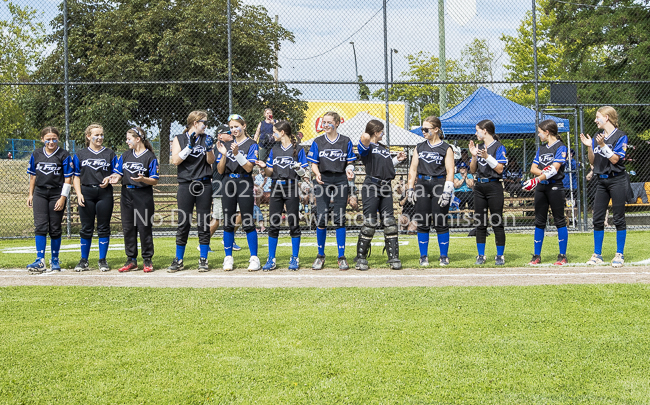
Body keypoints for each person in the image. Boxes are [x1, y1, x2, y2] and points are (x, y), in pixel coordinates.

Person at [306, 111, 357, 270]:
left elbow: (350, 162)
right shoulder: (318, 141)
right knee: (321, 217)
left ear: (337, 123)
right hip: (323, 180)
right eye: (324, 122)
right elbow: (314, 163)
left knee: (339, 218)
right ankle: (320, 256)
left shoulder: (345, 141)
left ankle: (341, 256)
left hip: (341, 179)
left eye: (329, 122)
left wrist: (350, 169)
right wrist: (317, 173)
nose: (326, 125)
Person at [167, 111, 215, 273]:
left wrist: (209, 148)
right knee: (184, 222)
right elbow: (176, 160)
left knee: (203, 222)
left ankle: (203, 258)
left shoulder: (205, 138)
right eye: (204, 122)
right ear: (195, 123)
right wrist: (189, 146)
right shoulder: (179, 138)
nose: (206, 125)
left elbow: (211, 162)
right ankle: (179, 259)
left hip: (204, 184)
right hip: (186, 184)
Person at [580, 106, 628, 267]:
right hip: (601, 180)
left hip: (617, 180)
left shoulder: (621, 136)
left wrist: (602, 146)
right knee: (598, 218)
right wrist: (589, 146)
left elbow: (615, 160)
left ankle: (619, 254)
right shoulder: (597, 136)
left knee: (619, 218)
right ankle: (597, 254)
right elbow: (593, 161)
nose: (595, 120)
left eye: (597, 116)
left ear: (607, 117)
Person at [355, 119, 406, 270]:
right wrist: (371, 136)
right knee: (370, 222)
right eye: (381, 131)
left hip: (385, 185)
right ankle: (361, 257)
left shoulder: (383, 148)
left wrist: (396, 160)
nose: (383, 133)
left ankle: (393, 257)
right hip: (371, 185)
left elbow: (385, 166)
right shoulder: (367, 146)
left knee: (389, 223)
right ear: (376, 132)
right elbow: (364, 138)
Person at [256, 120, 307, 270]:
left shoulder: (299, 149)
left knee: (293, 223)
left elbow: (304, 174)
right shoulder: (274, 150)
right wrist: (265, 167)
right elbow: (270, 173)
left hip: (291, 187)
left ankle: (295, 258)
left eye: (274, 132)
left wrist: (299, 169)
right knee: (274, 224)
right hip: (276, 188)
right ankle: (271, 258)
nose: (273, 135)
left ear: (282, 132)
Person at [406, 116, 455, 267]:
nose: (423, 131)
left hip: (439, 183)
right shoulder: (419, 147)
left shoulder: (446, 148)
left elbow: (450, 170)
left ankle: (443, 256)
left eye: (426, 129)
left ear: (436, 129)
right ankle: (423, 256)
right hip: (422, 184)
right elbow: (413, 169)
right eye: (422, 129)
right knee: (422, 221)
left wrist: (447, 190)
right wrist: (410, 188)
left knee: (440, 221)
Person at [215, 114, 260, 271]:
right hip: (228, 182)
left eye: (236, 126)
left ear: (244, 126)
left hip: (244, 181)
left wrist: (237, 154)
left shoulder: (251, 144)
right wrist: (223, 154)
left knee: (247, 220)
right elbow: (220, 170)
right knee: (228, 221)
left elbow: (248, 168)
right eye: (231, 127)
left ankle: (254, 258)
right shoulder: (226, 145)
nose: (234, 129)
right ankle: (228, 257)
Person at [26, 127, 73, 273]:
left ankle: (55, 259)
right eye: (48, 139)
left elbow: (68, 178)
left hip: (56, 194)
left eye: (54, 139)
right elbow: (33, 176)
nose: (51, 141)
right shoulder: (36, 154)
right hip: (40, 193)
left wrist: (62, 198)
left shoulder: (63, 154)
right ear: (42, 139)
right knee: (40, 226)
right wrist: (30, 194)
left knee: (55, 227)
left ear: (58, 139)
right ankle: (40, 260)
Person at [72, 123, 119, 272]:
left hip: (104, 194)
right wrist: (79, 194)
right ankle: (84, 260)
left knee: (103, 227)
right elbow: (76, 176)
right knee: (86, 228)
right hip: (86, 193)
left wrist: (110, 179)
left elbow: (117, 173)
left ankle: (102, 260)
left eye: (101, 135)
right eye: (96, 135)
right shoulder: (80, 154)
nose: (99, 137)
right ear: (88, 136)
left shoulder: (109, 154)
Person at [522, 119, 569, 265]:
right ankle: (536, 255)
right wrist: (544, 174)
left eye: (540, 132)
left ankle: (562, 255)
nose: (538, 134)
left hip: (555, 187)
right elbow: (533, 168)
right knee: (539, 221)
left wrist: (537, 179)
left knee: (559, 220)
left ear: (547, 132)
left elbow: (555, 168)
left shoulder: (561, 147)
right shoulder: (541, 148)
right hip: (542, 187)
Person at [112, 127, 159, 273]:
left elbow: (154, 180)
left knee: (144, 227)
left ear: (138, 139)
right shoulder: (125, 155)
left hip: (143, 195)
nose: (127, 141)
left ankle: (147, 260)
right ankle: (131, 260)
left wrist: (143, 179)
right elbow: (118, 173)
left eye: (129, 139)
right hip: (126, 194)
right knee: (128, 228)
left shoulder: (150, 157)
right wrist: (112, 178)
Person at [469, 119, 508, 265]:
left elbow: (499, 169)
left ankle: (499, 255)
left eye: (477, 130)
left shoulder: (498, 147)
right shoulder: (479, 146)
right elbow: (473, 170)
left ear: (485, 130)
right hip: (480, 186)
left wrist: (487, 157)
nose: (476, 133)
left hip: (494, 186)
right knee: (480, 222)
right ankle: (481, 255)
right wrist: (474, 156)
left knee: (496, 221)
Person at [207, 124, 242, 252]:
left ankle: (228, 238)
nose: (231, 133)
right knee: (217, 218)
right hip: (220, 186)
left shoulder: (230, 146)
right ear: (220, 136)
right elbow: (220, 170)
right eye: (227, 132)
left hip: (231, 186)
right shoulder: (218, 148)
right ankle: (204, 242)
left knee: (241, 213)